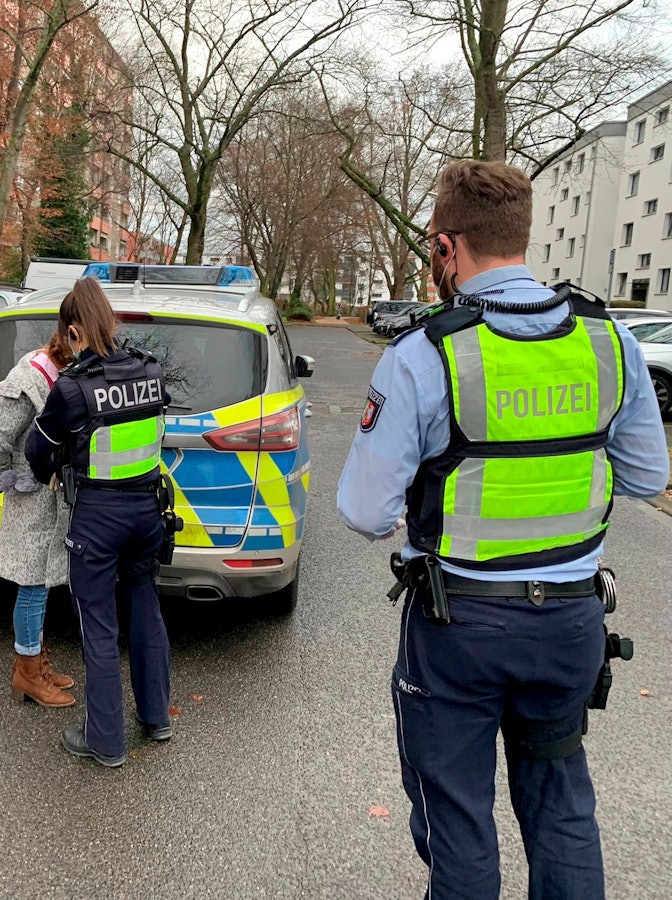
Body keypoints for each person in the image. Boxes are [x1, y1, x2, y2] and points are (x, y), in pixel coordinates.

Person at [337, 160, 669, 898]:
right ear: (522, 235)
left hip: (460, 629)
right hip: (573, 621)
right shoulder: (608, 343)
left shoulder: (426, 354)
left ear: (444, 248)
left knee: (459, 824)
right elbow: (646, 478)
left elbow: (363, 512)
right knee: (562, 809)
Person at [25, 278, 173, 768]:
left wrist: (51, 473)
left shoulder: (73, 387)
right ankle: (156, 719)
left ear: (74, 332)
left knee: (99, 624)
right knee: (146, 608)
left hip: (99, 518)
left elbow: (36, 450)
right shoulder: (151, 370)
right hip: (148, 513)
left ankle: (105, 739)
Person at [0, 331, 76, 709]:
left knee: (40, 585)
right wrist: (11, 479)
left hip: (48, 501)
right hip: (31, 497)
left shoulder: (57, 374)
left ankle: (34, 660)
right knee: (32, 587)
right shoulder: (27, 383)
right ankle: (29, 673)